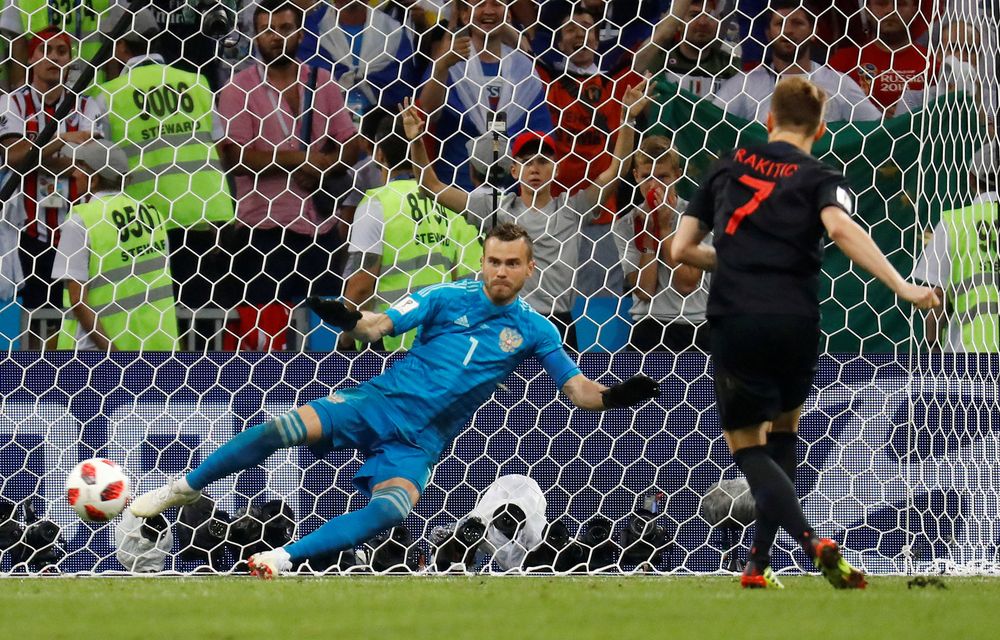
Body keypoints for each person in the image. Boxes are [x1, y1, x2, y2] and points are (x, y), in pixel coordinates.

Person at [130, 222, 659, 578]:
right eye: (493, 261)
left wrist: (617, 397)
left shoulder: (537, 330)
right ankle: (179, 489)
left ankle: (281, 559)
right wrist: (346, 319)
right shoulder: (441, 296)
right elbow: (376, 325)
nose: (501, 271)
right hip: (376, 402)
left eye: (512, 264)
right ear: (482, 262)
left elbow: (580, 393)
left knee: (388, 511)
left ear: (528, 270)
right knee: (278, 430)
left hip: (420, 442)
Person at [671, 76, 938, 589]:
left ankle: (812, 540)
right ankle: (757, 565)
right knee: (786, 431)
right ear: (818, 128)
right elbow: (840, 229)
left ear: (769, 120)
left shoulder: (725, 166)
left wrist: (732, 260)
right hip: (796, 321)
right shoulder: (821, 176)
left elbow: (680, 250)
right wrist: (903, 286)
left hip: (737, 317)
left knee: (748, 444)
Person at [406, 77, 649, 349]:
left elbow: (616, 172)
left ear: (556, 170)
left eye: (543, 161)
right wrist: (416, 142)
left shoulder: (572, 208)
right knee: (507, 393)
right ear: (514, 170)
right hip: (508, 322)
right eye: (527, 162)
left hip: (558, 324)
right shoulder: (495, 208)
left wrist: (627, 119)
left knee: (561, 393)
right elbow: (431, 186)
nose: (535, 168)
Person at [217, 0, 358, 350]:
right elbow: (235, 156)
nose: (276, 38)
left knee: (325, 343)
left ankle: (322, 402)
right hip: (263, 233)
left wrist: (323, 166)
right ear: (255, 36)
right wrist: (299, 159)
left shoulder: (321, 82)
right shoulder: (240, 87)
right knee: (266, 344)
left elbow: (352, 143)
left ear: (300, 33)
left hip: (319, 231)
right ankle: (263, 404)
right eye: (267, 30)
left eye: (284, 29)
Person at [91, 7, 235, 309]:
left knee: (155, 317)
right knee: (200, 324)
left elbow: (101, 163)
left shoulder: (109, 95)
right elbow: (221, 149)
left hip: (143, 225)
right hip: (204, 219)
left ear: (119, 46)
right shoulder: (197, 84)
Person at [0, 27, 106, 340]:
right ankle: (34, 383)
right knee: (34, 320)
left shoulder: (88, 106)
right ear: (31, 58)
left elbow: (94, 163)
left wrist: (41, 154)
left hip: (77, 231)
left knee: (74, 318)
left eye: (61, 51)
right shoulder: (12, 104)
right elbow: (14, 156)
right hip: (30, 232)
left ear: (71, 60)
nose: (53, 58)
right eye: (45, 50)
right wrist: (62, 141)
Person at [342, 115, 482, 351]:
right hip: (440, 341)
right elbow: (466, 279)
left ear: (379, 155)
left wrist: (347, 334)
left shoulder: (377, 203)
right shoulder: (450, 201)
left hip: (388, 340)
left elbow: (361, 284)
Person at [51, 140, 178, 351]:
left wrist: (113, 355)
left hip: (97, 352)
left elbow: (78, 300)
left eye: (81, 167)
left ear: (94, 179)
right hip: (156, 345)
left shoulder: (81, 219)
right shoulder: (153, 215)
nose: (74, 174)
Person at [417, 0, 553, 191]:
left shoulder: (523, 70)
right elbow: (427, 113)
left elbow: (541, 137)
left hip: (511, 197)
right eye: (480, 4)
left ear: (507, 14)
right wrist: (441, 67)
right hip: (456, 193)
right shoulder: (450, 64)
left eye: (496, 4)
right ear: (465, 15)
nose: (488, 10)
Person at [712, 0, 881, 124]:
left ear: (813, 31)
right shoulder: (744, 86)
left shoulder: (839, 85)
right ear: (768, 34)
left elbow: (876, 130)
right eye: (780, 23)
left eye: (797, 23)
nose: (788, 30)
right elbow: (711, 125)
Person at [612, 136, 709, 351]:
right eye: (647, 176)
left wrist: (664, 230)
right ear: (636, 176)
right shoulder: (625, 224)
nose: (654, 185)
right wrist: (649, 233)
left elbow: (687, 284)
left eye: (663, 176)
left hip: (695, 324)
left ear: (677, 175)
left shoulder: (699, 217)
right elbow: (644, 290)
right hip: (649, 325)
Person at [535, 6, 642, 198]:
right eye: (570, 29)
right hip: (553, 204)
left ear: (596, 42)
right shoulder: (547, 79)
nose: (579, 34)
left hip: (601, 208)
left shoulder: (614, 82)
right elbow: (515, 41)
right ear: (559, 44)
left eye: (586, 27)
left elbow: (661, 38)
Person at [911, 143, 998, 353]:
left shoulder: (954, 223)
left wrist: (931, 345)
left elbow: (935, 297)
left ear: (970, 179)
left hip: (969, 354)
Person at [829, 0, 935, 117]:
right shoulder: (843, 61)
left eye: (900, 4)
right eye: (881, 3)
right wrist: (870, 115)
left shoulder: (932, 62)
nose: (891, 11)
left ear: (915, 11)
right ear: (868, 10)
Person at [634, 0, 741, 98]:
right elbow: (636, 68)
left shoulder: (729, 66)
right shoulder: (661, 59)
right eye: (694, 15)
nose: (703, 22)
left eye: (710, 16)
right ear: (679, 24)